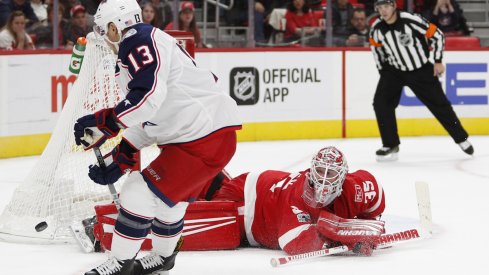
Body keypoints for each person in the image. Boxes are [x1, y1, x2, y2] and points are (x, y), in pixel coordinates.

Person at [73, 0, 241, 274]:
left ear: (115, 26)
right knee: (167, 199)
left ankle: (120, 263)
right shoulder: (146, 39)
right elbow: (155, 112)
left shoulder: (137, 41)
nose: (104, 37)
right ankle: (163, 258)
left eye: (105, 30)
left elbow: (148, 99)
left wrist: (107, 122)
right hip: (201, 136)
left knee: (138, 191)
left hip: (203, 139)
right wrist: (124, 150)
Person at [91, 146, 386, 256]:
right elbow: (294, 242)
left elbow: (376, 205)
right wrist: (346, 233)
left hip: (253, 187)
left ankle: (181, 184)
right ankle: (106, 223)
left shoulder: (360, 187)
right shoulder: (301, 194)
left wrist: (368, 224)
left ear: (344, 176)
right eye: (319, 171)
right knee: (191, 220)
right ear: (311, 170)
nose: (322, 180)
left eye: (330, 174)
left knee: (197, 190)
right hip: (245, 206)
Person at [368, 0, 473, 161]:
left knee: (440, 105)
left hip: (420, 69)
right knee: (381, 104)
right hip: (394, 71)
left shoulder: (411, 19)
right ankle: (390, 144)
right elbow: (376, 50)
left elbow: (437, 34)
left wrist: (437, 60)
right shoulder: (376, 28)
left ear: (394, 6)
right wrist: (384, 71)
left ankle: (461, 138)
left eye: (387, 6)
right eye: (380, 7)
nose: (383, 11)